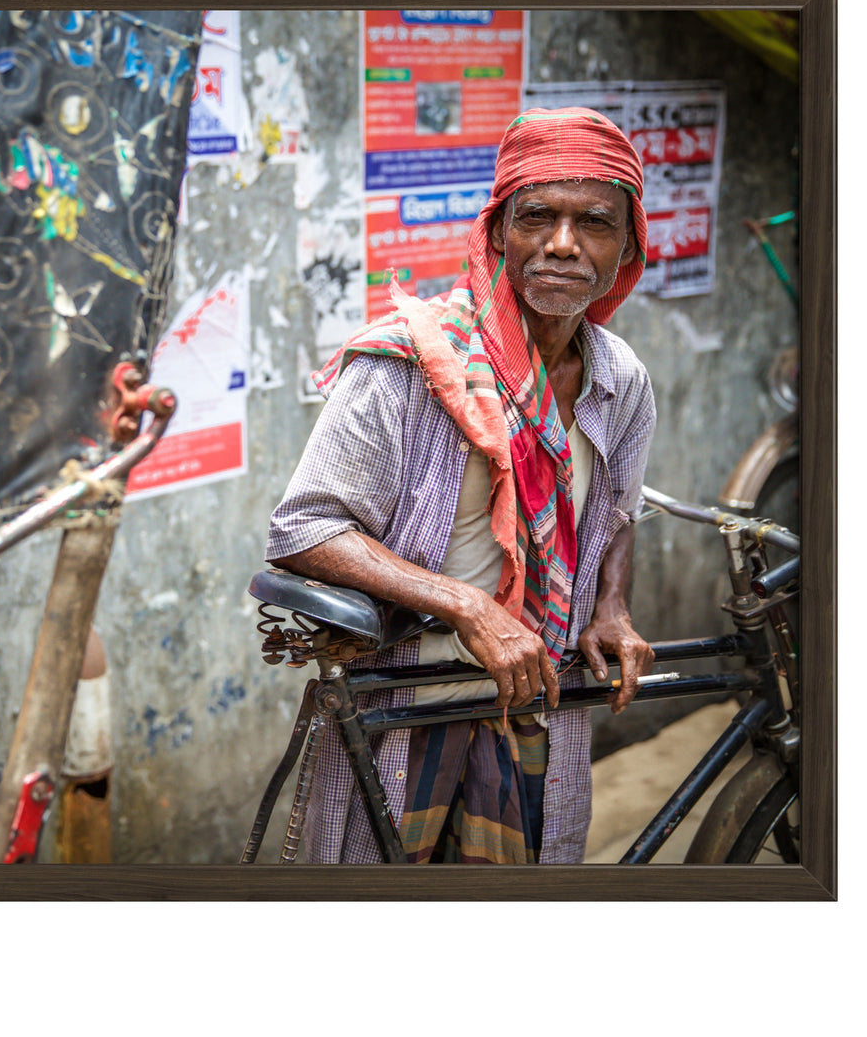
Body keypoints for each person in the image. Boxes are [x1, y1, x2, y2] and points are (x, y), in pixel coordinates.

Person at [266, 106, 657, 864]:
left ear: (629, 246)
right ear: (498, 232)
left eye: (595, 223)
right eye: (537, 217)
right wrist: (469, 606)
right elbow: (304, 530)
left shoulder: (620, 380)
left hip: (537, 700)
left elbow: (616, 510)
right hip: (408, 706)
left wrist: (611, 605)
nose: (563, 243)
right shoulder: (409, 366)